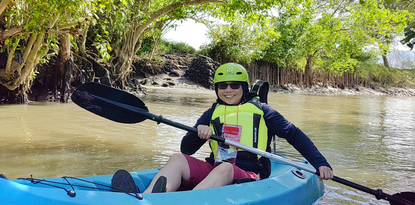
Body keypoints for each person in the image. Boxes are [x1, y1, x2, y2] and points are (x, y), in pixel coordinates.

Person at [113, 63, 333, 194]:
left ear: (244, 88)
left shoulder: (264, 111)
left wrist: (320, 163)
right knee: (177, 158)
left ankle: (178, 201)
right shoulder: (212, 113)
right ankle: (149, 197)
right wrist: (198, 132)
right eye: (223, 86)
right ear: (217, 89)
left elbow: (294, 134)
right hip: (215, 167)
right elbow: (186, 149)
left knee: (225, 169)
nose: (228, 90)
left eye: (234, 85)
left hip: (250, 172)